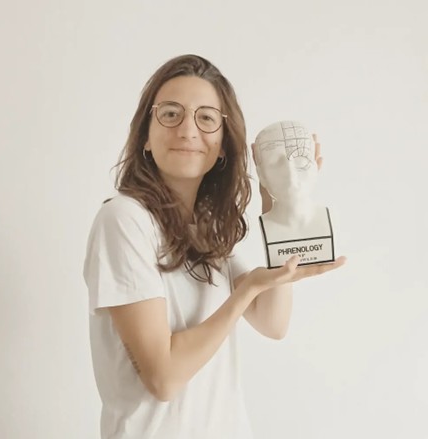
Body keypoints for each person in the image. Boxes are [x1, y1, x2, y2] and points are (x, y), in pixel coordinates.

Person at [83, 54, 345, 439]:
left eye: (206, 118)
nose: (188, 130)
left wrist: (280, 204)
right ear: (145, 137)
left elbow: (273, 324)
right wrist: (245, 292)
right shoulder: (124, 220)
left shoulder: (206, 230)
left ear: (223, 145)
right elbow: (164, 378)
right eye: (170, 114)